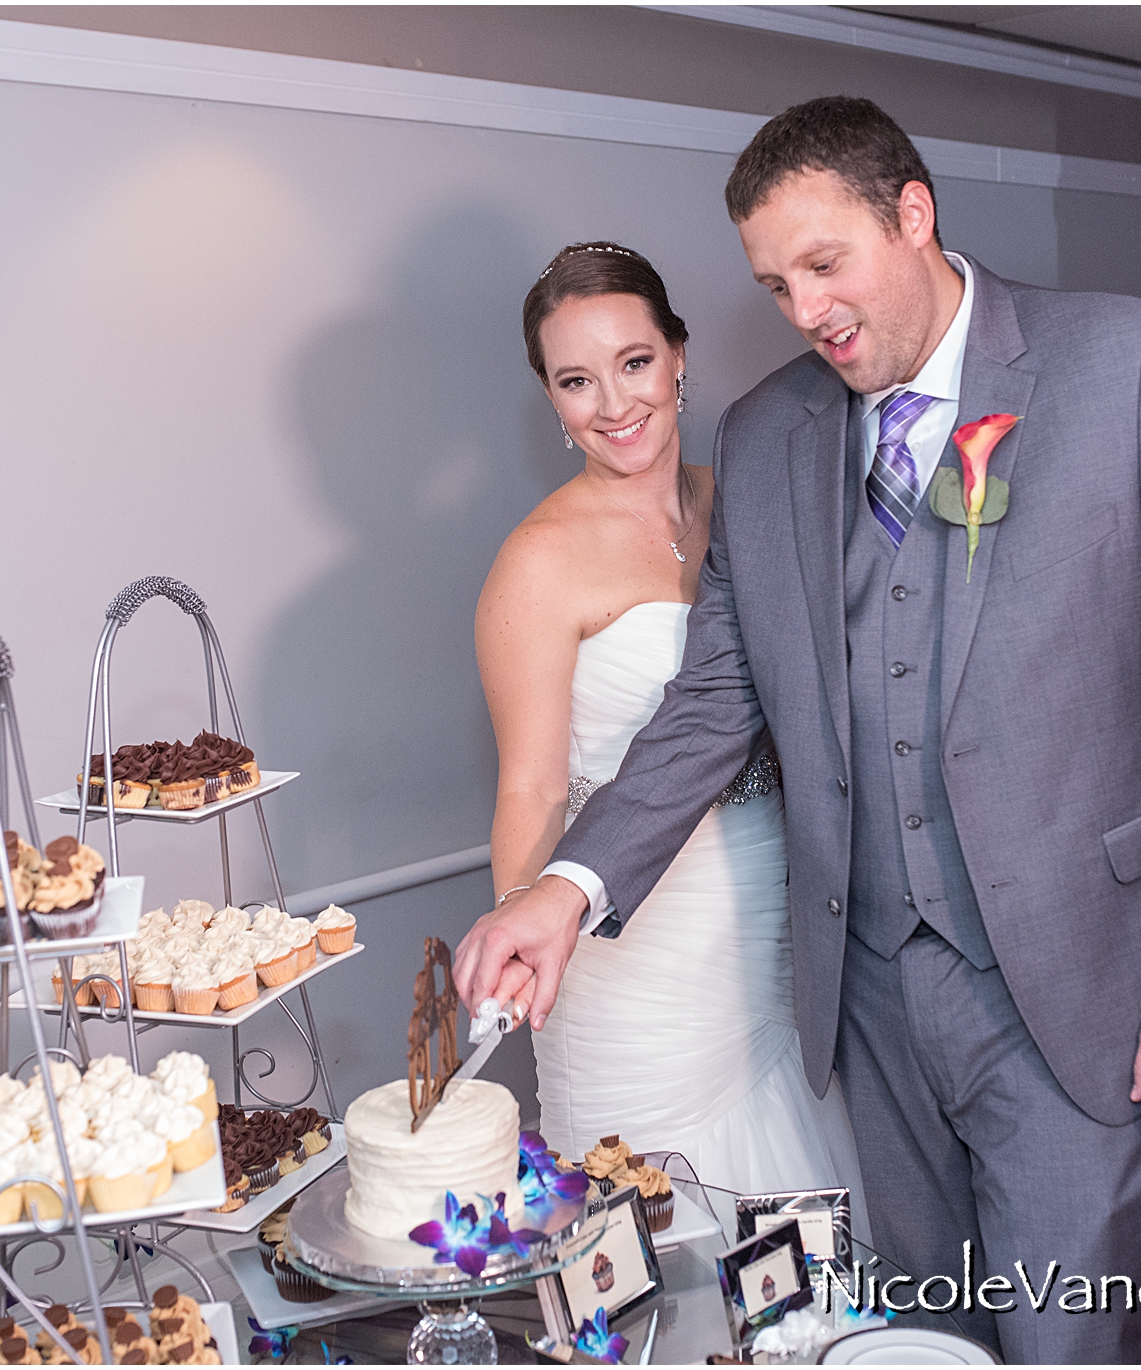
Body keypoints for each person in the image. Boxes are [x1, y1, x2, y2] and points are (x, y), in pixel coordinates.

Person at [458, 98, 1141, 1363]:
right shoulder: (772, 432)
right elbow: (718, 692)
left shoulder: (1123, 361)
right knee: (924, 1337)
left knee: (1069, 1340)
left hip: (1082, 990)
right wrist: (568, 885)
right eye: (773, 283)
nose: (803, 311)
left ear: (912, 213)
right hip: (871, 997)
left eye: (823, 264)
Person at [474, 241, 869, 1206]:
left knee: (803, 1189)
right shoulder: (538, 561)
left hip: (772, 910)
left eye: (634, 363)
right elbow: (527, 784)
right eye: (577, 381)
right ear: (551, 399)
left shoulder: (743, 502)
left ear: (679, 356)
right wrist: (535, 926)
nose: (613, 405)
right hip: (635, 947)